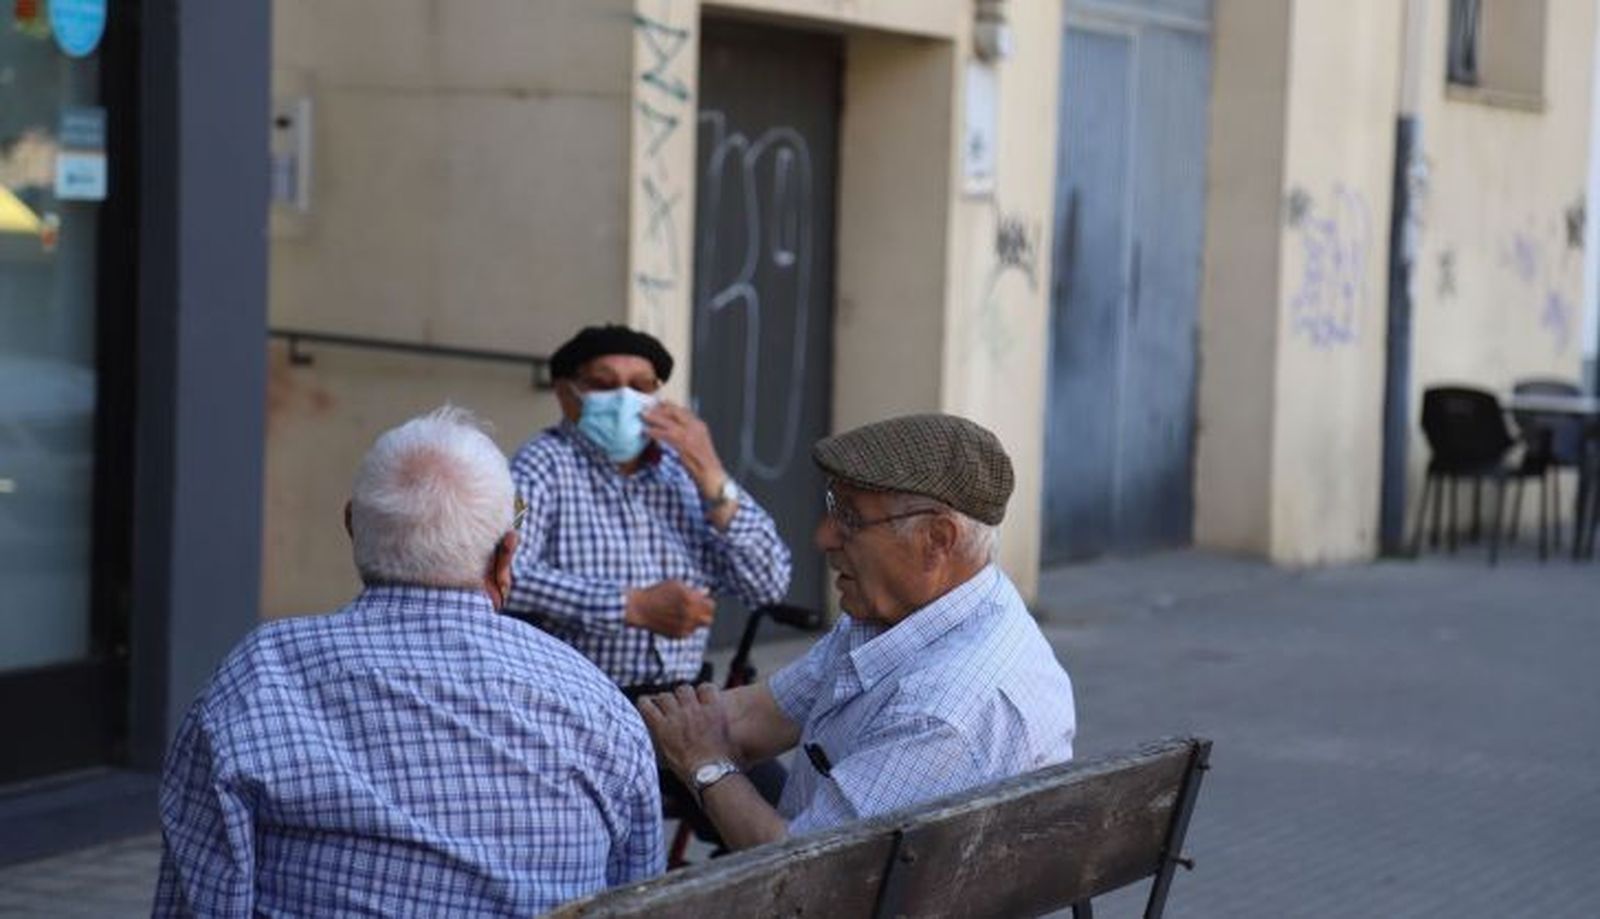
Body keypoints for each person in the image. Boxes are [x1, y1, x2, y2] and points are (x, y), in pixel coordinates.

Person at [154, 407, 662, 917]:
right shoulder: (597, 702)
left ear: (352, 526)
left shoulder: (261, 675)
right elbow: (641, 896)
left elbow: (201, 900)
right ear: (506, 555)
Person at [638, 413, 1077, 851]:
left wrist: (706, 765)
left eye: (851, 517)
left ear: (938, 539)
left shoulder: (941, 712)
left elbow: (802, 879)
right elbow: (754, 718)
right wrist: (598, 723)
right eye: (833, 509)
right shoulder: (915, 613)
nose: (824, 537)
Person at [503, 323, 792, 696]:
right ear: (565, 393)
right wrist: (629, 606)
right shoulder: (540, 463)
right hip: (579, 698)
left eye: (640, 387)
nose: (624, 398)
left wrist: (712, 472)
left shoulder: (684, 469)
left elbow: (769, 585)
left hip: (685, 699)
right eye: (604, 385)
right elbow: (506, 572)